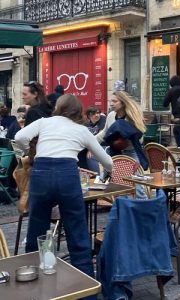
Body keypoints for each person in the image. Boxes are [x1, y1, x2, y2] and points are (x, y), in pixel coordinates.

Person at [15, 94, 113, 291]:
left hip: (41, 175)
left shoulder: (44, 122)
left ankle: (31, 287)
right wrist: (108, 172)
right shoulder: (81, 130)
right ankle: (87, 291)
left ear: (58, 108)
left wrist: (28, 152)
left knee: (36, 229)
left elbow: (19, 137)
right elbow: (108, 161)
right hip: (67, 175)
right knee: (77, 232)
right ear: (78, 111)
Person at [95, 90, 148, 199]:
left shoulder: (132, 116)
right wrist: (90, 142)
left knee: (137, 186)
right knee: (107, 183)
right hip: (115, 153)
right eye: (110, 101)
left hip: (131, 152)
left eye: (114, 101)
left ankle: (145, 209)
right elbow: (104, 133)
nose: (111, 103)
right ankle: (121, 207)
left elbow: (141, 137)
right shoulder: (110, 116)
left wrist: (128, 139)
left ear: (122, 102)